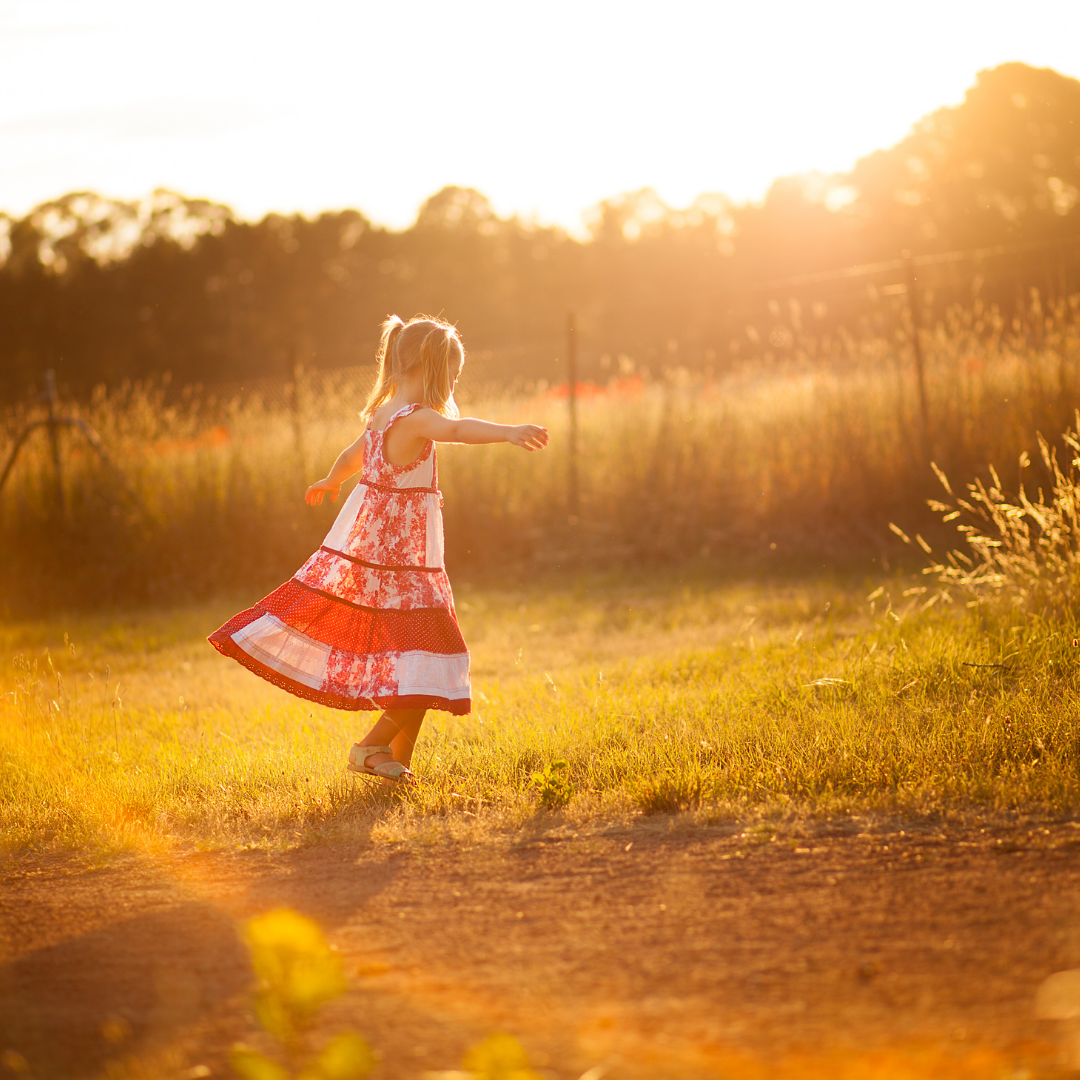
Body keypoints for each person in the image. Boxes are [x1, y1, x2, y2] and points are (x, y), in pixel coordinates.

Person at [208, 315, 548, 782]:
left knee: (418, 666)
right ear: (429, 368)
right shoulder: (417, 418)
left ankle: (396, 759)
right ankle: (369, 748)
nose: (453, 383)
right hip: (402, 569)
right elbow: (458, 429)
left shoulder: (382, 416)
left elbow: (352, 455)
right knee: (432, 658)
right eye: (451, 373)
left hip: (388, 562)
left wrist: (333, 478)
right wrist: (508, 431)